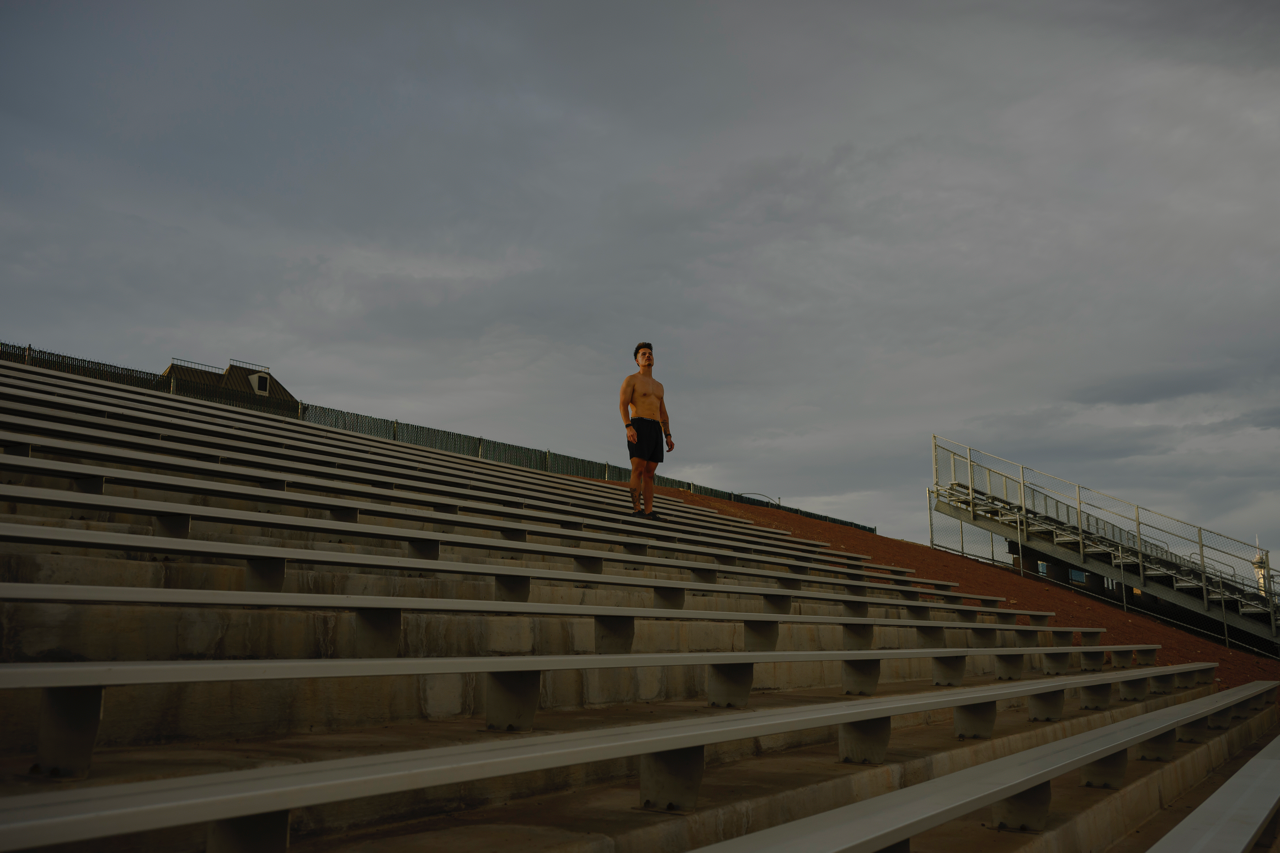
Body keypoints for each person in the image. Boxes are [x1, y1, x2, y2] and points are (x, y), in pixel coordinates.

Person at [618, 341, 674, 519]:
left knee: (650, 472)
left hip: (655, 428)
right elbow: (623, 404)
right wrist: (628, 426)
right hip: (638, 424)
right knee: (638, 469)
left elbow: (662, 412)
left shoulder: (659, 386)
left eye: (650, 353)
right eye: (643, 354)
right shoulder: (631, 380)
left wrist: (668, 435)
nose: (648, 355)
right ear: (637, 360)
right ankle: (637, 510)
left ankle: (649, 512)